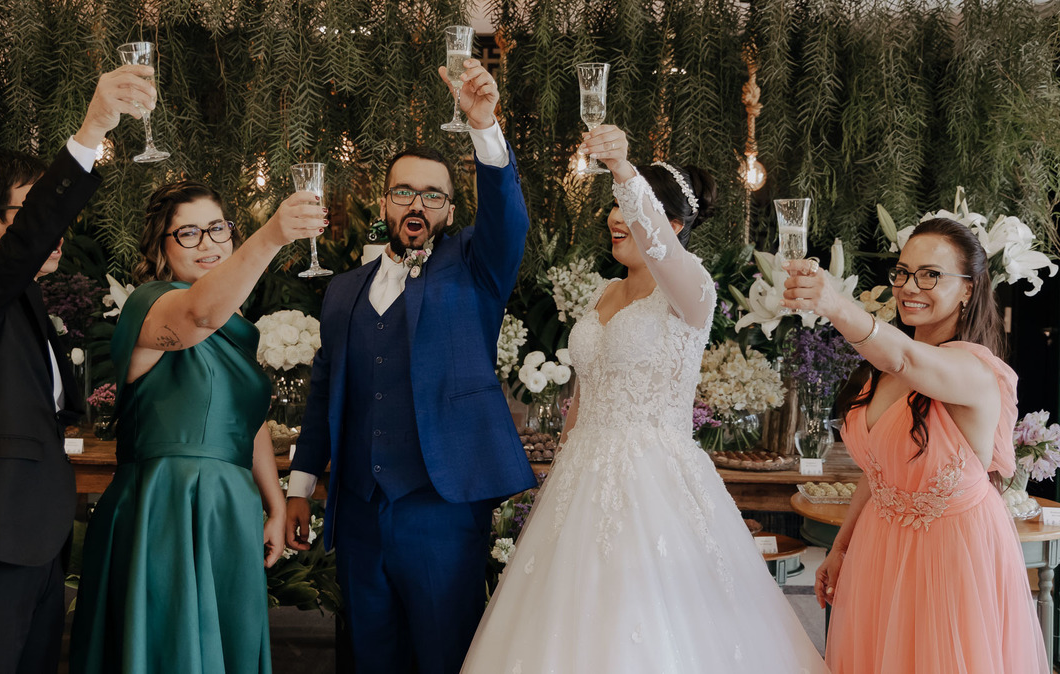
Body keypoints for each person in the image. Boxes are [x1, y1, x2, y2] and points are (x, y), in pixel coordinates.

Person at [461, 126, 828, 673]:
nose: (615, 216)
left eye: (629, 208)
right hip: (580, 478)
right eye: (613, 206)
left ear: (672, 225)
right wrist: (560, 465)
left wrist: (625, 172)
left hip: (655, 479)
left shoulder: (692, 289)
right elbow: (583, 395)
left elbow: (662, 248)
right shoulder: (605, 293)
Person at [283, 59, 536, 674]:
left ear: (450, 211)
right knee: (368, 658)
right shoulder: (343, 289)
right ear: (385, 202)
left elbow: (508, 220)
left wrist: (484, 127)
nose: (417, 203)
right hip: (360, 511)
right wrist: (301, 486)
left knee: (445, 656)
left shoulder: (475, 268)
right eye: (404, 191)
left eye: (433, 194)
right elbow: (324, 393)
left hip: (442, 508)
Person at [0, 64, 153, 674]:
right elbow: (17, 257)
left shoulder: (23, 297)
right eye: (32, 208)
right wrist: (93, 129)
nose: (54, 227)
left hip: (35, 538)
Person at [68, 179, 322, 673]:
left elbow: (247, 424)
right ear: (160, 249)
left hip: (227, 506)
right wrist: (272, 235)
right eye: (188, 234)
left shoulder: (235, 319)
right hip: (164, 503)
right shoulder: (151, 304)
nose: (208, 243)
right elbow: (199, 311)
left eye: (217, 228)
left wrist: (273, 504)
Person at [783, 218, 1048, 673]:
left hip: (951, 552)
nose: (910, 286)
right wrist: (842, 545)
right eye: (903, 272)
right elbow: (879, 467)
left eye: (931, 275)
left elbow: (905, 355)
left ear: (968, 289)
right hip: (878, 543)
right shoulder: (886, 367)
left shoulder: (975, 371)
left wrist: (832, 303)